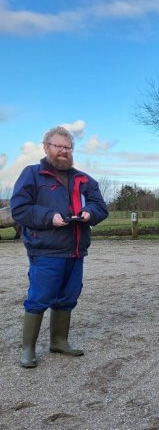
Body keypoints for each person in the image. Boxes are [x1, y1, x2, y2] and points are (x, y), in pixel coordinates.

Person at [11, 126, 109, 368]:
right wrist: (49, 217)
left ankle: (58, 342)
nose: (64, 151)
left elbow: (100, 207)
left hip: (75, 249)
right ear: (46, 148)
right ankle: (28, 350)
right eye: (59, 146)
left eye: (68, 147)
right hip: (46, 250)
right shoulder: (32, 174)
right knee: (39, 297)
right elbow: (20, 209)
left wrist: (89, 213)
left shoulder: (84, 179)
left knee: (68, 297)